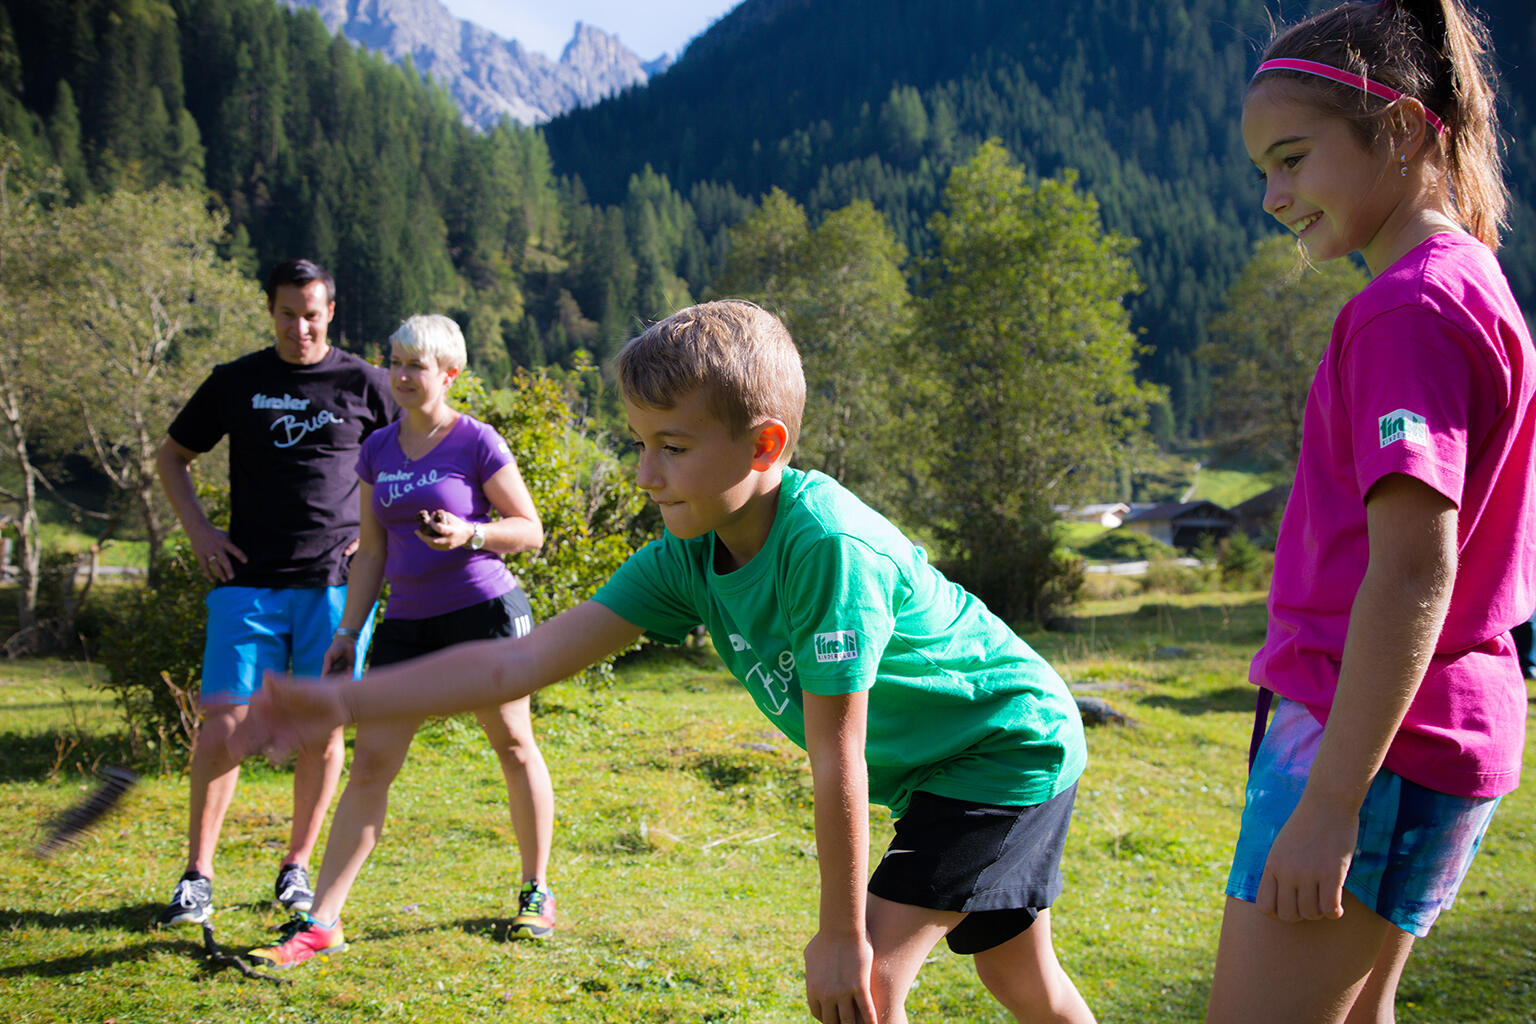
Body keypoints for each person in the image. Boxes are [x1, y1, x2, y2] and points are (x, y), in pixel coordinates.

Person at [234, 300, 1096, 1023]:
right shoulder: (687, 554)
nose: (646, 473)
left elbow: (838, 751)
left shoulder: (824, 546)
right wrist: (340, 701)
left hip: (1002, 748)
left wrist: (841, 931)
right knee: (1019, 981)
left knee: (865, 980)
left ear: (764, 446)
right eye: (639, 442)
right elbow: (513, 665)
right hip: (948, 765)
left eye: (673, 447)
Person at [1207, 3, 1534, 1022]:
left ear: (1396, 133)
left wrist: (1331, 803)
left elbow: (1412, 568)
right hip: (1436, 729)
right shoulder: (1470, 278)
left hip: (1377, 746)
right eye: (1264, 169)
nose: (1273, 195)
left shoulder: (1407, 307)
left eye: (1295, 158)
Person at [248, 314, 556, 968]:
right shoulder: (378, 450)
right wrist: (349, 630)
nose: (404, 375)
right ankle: (322, 920)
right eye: (396, 362)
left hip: (484, 612)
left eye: (419, 365)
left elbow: (529, 530)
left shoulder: (476, 441)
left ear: (450, 374)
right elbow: (372, 550)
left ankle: (535, 890)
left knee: (512, 745)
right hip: (406, 625)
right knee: (371, 764)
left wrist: (470, 533)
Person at [154, 258, 396, 927]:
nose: (300, 328)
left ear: (331, 311)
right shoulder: (237, 381)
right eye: (288, 314)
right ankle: (197, 875)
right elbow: (172, 455)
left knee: (323, 732)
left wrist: (380, 537)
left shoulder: (365, 382)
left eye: (312, 313)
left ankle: (296, 868)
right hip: (248, 582)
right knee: (222, 727)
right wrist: (199, 529)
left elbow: (412, 456)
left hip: (335, 589)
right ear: (271, 312)